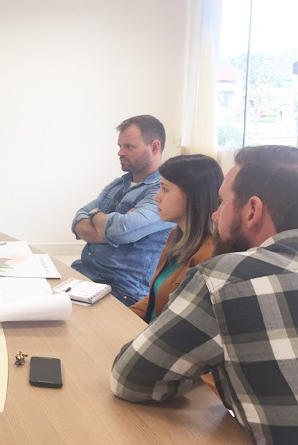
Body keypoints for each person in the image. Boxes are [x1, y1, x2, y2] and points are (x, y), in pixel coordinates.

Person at [111, 145, 298, 444]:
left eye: (223, 202)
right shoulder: (177, 237)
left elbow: (130, 378)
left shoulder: (224, 278)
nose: (215, 213)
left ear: (252, 211)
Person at [71, 115, 175, 306]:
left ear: (154, 147)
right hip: (84, 273)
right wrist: (112, 227)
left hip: (121, 290)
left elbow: (121, 230)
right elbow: (78, 220)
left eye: (129, 146)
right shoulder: (119, 184)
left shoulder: (164, 192)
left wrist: (96, 215)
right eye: (120, 146)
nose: (120, 152)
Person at [129, 154, 223, 322]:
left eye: (165, 189)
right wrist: (122, 318)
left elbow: (181, 320)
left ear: (193, 195)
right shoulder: (176, 235)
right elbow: (154, 299)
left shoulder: (208, 254)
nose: (157, 197)